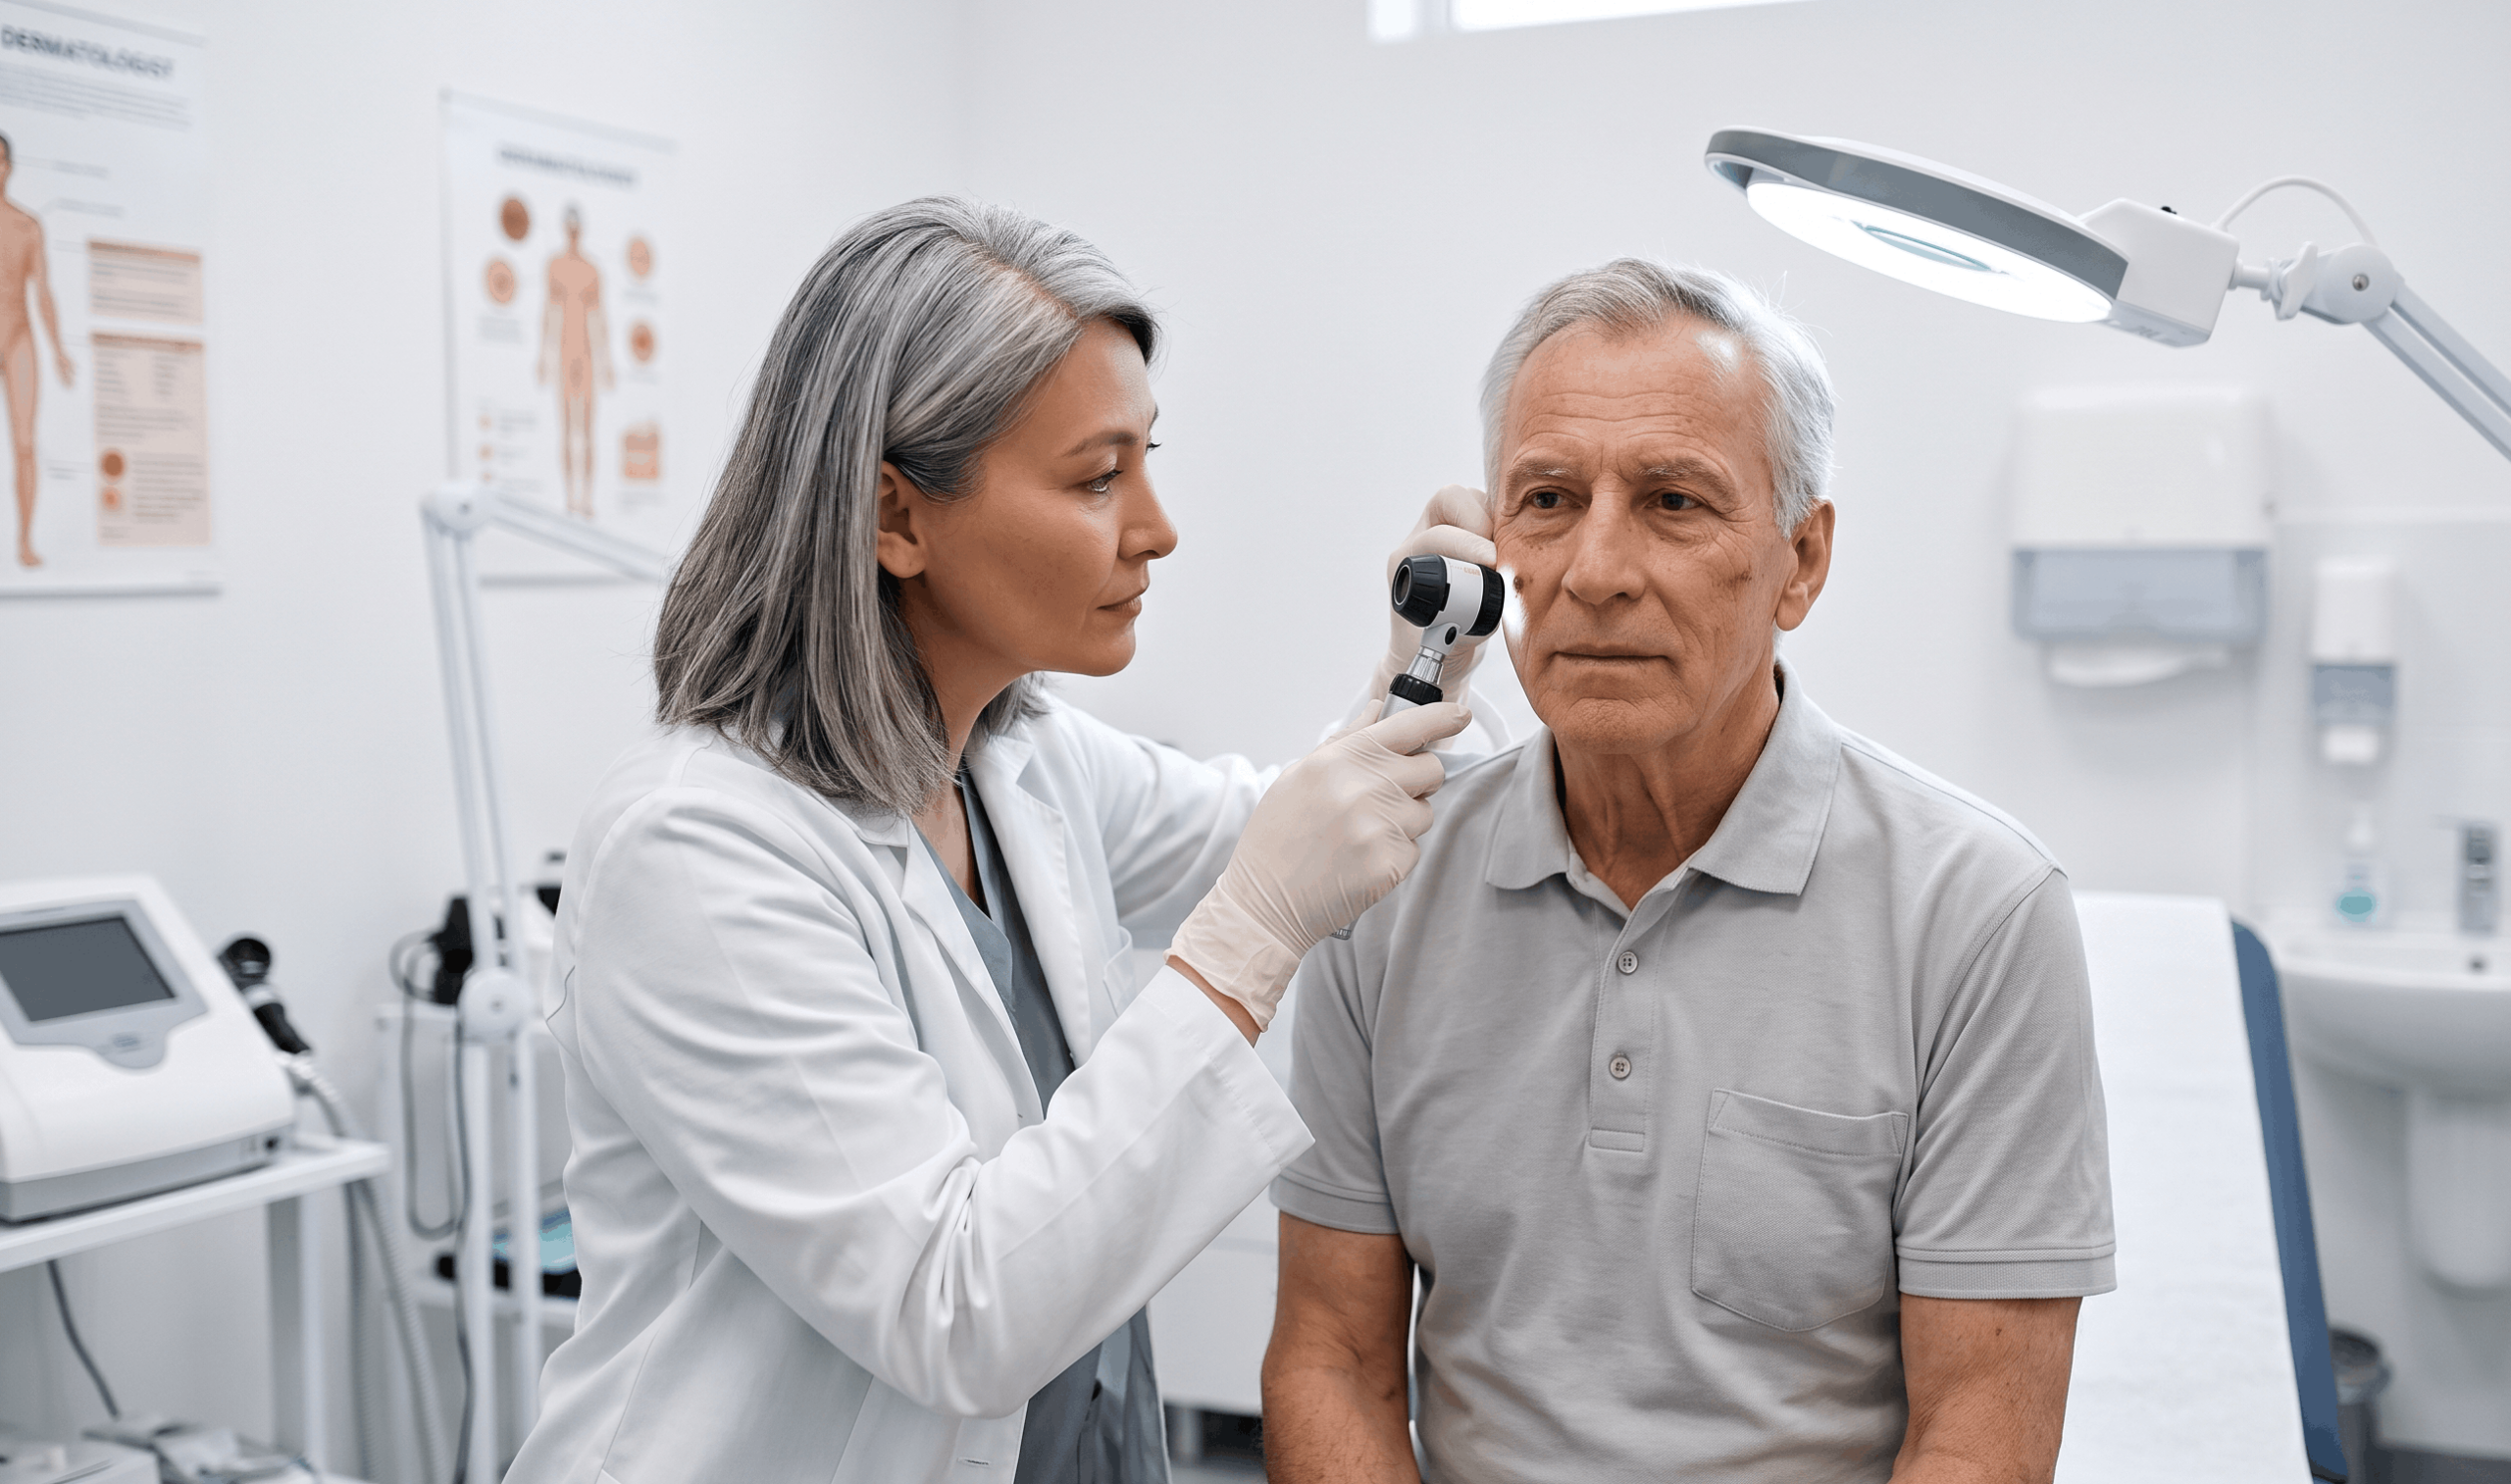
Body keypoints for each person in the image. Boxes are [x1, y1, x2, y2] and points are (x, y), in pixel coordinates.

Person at [503, 198, 1490, 1484]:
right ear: (894, 516)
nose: (1157, 525)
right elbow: (953, 1311)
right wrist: (1252, 932)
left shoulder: (1017, 759)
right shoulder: (696, 850)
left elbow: (1297, 825)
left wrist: (1431, 659)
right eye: (1096, 477)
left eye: (1147, 457)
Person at [1261, 260, 2115, 1484]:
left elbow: (1979, 1431)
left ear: (1801, 561)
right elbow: (1328, 1361)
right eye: (1547, 499)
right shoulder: (1383, 878)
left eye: (1672, 502)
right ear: (1492, 547)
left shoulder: (1974, 911)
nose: (1597, 570)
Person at [0, 131, 75, 568]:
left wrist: (60, 348)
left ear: (10, 167)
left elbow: (42, 291)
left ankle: (25, 540)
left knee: (25, 443)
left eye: (1, 160)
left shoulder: (28, 225)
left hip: (19, 337)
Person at [536, 205, 612, 518]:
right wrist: (545, 355)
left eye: (576, 227)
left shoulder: (592, 270)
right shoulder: (554, 266)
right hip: (566, 353)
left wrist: (606, 362)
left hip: (587, 355)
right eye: (569, 227)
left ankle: (587, 498)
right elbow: (550, 313)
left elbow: (598, 317)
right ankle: (570, 497)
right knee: (568, 428)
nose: (573, 232)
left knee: (588, 429)